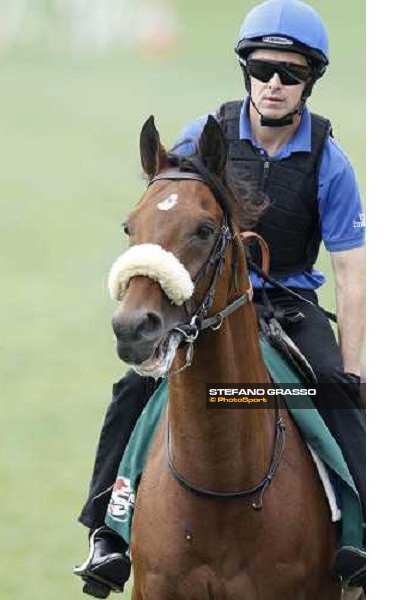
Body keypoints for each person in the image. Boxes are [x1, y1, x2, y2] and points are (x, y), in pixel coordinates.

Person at [74, 0, 366, 596]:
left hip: (289, 307)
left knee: (336, 395)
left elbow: (351, 275)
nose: (275, 84)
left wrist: (354, 364)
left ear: (311, 78)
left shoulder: (329, 162)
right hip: (204, 303)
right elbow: (171, 213)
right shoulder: (202, 138)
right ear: (247, 72)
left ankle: (362, 536)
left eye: (291, 72)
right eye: (263, 70)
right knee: (134, 391)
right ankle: (107, 532)